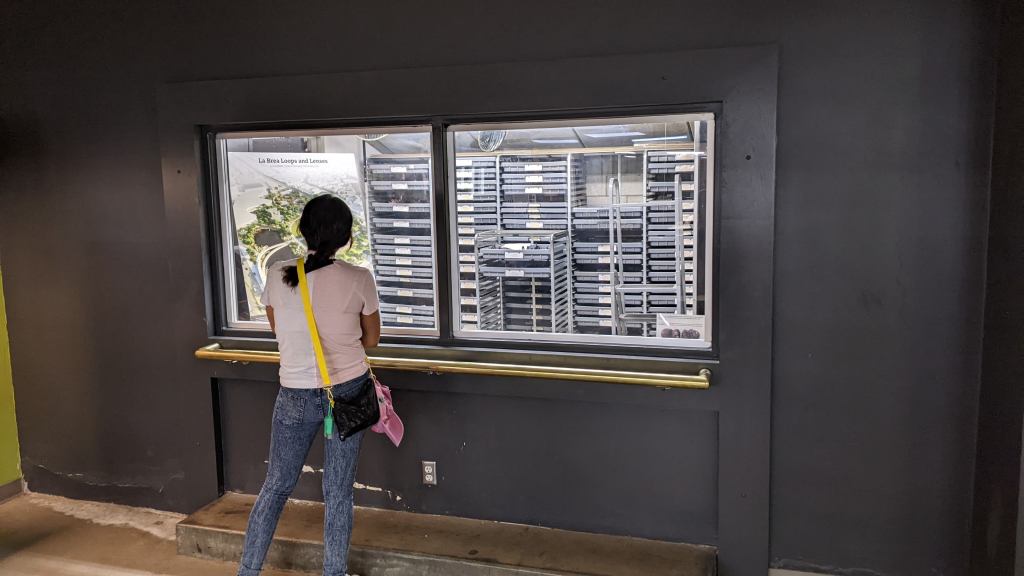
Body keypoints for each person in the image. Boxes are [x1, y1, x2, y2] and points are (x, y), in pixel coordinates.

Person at [238, 195, 381, 576]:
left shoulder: (277, 274)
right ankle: (334, 572)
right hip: (347, 391)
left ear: (303, 231)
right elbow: (371, 340)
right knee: (338, 491)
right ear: (346, 236)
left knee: (276, 486)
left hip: (294, 392)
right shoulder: (359, 278)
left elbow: (278, 330)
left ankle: (247, 571)